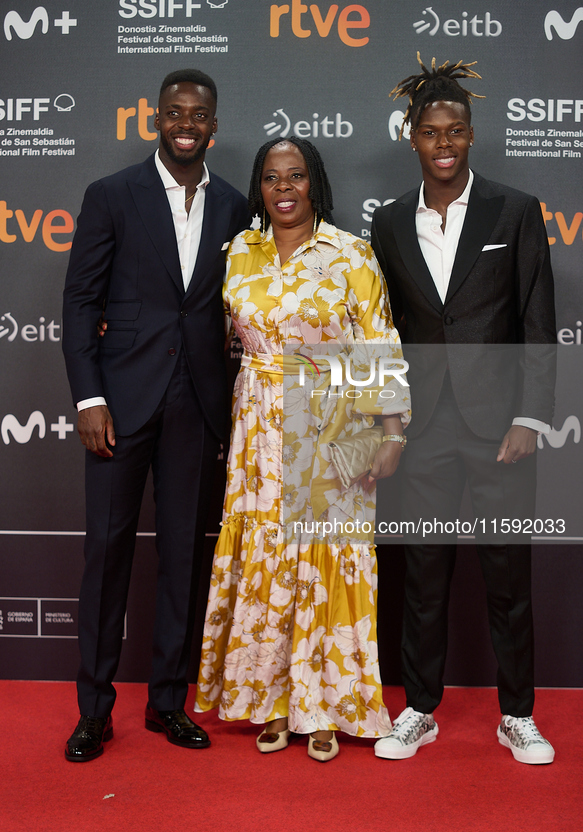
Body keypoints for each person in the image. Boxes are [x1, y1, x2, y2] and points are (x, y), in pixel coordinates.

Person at [194, 136, 410, 762]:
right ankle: (273, 699)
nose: (284, 188)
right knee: (267, 555)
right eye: (271, 177)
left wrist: (391, 432)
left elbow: (379, 344)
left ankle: (326, 707)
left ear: (313, 182)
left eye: (295, 176)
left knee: (327, 558)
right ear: (258, 187)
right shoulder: (239, 252)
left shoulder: (351, 254)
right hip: (259, 425)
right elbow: (217, 335)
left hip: (332, 421)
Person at [371, 55, 556, 764]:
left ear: (471, 136)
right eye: (429, 131)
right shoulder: (387, 223)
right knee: (423, 573)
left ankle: (517, 714)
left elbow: (536, 322)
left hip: (499, 426)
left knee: (508, 573)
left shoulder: (514, 209)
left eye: (454, 131)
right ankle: (420, 707)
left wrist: (529, 417)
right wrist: (389, 421)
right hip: (425, 430)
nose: (442, 142)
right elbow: (381, 330)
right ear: (409, 137)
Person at [61, 69, 250, 761]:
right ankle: (94, 710)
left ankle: (168, 701)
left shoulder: (234, 206)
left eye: (198, 113)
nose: (185, 122)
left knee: (183, 559)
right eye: (174, 111)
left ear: (213, 124)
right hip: (119, 403)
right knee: (106, 555)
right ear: (155, 118)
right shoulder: (111, 195)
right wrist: (88, 397)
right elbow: (81, 302)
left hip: (197, 404)